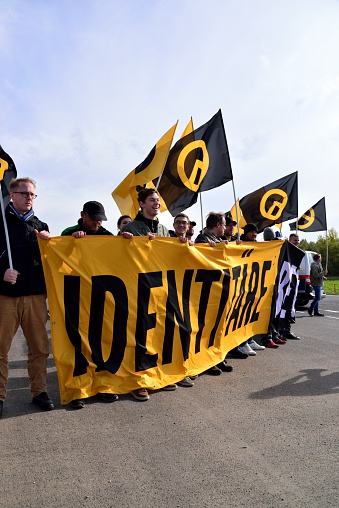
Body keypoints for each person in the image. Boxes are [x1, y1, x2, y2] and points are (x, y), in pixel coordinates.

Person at [0, 177, 54, 418]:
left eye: (32, 194)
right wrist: (1, 272)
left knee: (39, 348)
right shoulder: (0, 223)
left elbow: (50, 261)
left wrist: (49, 245)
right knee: (0, 349)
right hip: (6, 297)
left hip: (35, 296)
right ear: (12, 195)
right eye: (24, 193)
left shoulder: (41, 225)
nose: (29, 197)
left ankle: (39, 391)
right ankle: (0, 396)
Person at [61, 201, 119, 408]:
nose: (97, 222)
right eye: (94, 218)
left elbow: (121, 259)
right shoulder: (69, 232)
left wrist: (127, 241)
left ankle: (103, 386)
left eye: (100, 219)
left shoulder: (108, 235)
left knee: (101, 341)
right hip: (76, 296)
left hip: (101, 296)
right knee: (76, 342)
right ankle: (79, 389)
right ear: (82, 215)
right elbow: (58, 260)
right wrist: (70, 242)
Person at [122, 188, 177, 400]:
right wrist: (127, 241)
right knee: (139, 336)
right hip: (139, 290)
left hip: (160, 289)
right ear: (141, 204)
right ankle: (138, 381)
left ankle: (155, 376)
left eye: (158, 200)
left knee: (158, 334)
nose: (157, 203)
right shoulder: (132, 228)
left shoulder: (163, 229)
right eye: (152, 200)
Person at [195, 212, 233, 374]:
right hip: (207, 290)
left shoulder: (219, 241)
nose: (225, 228)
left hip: (219, 289)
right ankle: (207, 362)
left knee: (219, 327)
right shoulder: (202, 240)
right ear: (218, 225)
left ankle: (218, 357)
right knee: (207, 328)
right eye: (224, 224)